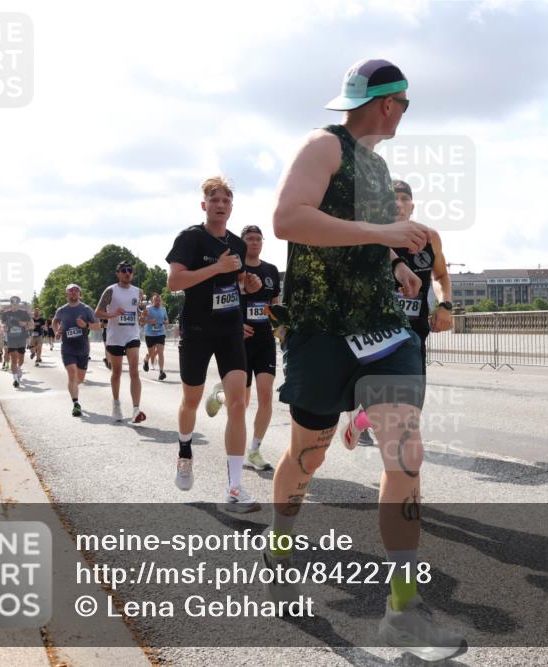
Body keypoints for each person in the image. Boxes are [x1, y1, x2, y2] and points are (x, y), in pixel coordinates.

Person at [265, 58, 466, 661]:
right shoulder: (323, 146)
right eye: (404, 105)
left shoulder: (378, 168)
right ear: (388, 103)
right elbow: (288, 220)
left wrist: (398, 261)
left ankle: (402, 609)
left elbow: (366, 243)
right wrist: (382, 236)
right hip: (321, 330)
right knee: (309, 452)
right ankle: (279, 547)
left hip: (383, 331)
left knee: (406, 450)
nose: (405, 115)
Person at [165, 176, 263, 509]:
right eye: (214, 199)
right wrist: (217, 267)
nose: (220, 205)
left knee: (238, 402)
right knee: (190, 401)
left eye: (226, 200)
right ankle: (184, 451)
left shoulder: (237, 244)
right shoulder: (191, 239)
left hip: (230, 330)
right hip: (196, 329)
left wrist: (245, 283)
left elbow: (234, 284)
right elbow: (174, 282)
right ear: (204, 205)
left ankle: (234, 487)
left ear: (231, 206)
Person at [355, 179, 455, 446]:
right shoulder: (372, 235)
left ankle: (365, 419)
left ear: (412, 206)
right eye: (392, 199)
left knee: (413, 401)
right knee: (391, 406)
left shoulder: (429, 237)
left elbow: (442, 275)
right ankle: (400, 469)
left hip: (414, 329)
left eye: (404, 199)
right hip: (378, 331)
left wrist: (445, 305)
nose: (398, 204)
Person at [238, 224, 282, 472]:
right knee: (240, 402)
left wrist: (280, 329)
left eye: (258, 239)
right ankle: (222, 392)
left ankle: (254, 450)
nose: (255, 242)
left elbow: (274, 305)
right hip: (240, 341)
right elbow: (226, 302)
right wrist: (236, 326)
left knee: (265, 395)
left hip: (264, 340)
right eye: (250, 239)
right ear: (243, 242)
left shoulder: (271, 270)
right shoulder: (235, 270)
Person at [95, 260, 148, 424]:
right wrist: (112, 314)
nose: (127, 273)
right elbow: (98, 312)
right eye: (124, 270)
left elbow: (139, 313)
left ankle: (135, 409)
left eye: (130, 270)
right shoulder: (111, 291)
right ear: (118, 273)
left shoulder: (139, 292)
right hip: (115, 337)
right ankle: (116, 404)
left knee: (134, 371)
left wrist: (142, 317)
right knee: (116, 373)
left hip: (132, 335)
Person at [52, 284, 101, 416]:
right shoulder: (62, 310)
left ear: (80, 294)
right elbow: (55, 321)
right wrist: (57, 331)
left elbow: (98, 325)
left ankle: (73, 387)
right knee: (72, 373)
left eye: (76, 291)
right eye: (71, 291)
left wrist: (85, 325)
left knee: (79, 378)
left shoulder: (86, 309)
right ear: (66, 294)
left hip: (83, 349)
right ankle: (76, 403)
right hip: (67, 348)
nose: (74, 293)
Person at [2, 297, 33, 388]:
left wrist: (25, 324)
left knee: (21, 359)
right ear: (11, 303)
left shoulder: (23, 313)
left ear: (18, 303)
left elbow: (31, 324)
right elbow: (2, 323)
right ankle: (15, 378)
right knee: (14, 358)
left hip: (21, 338)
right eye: (13, 302)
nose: (14, 304)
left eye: (16, 303)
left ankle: (19, 368)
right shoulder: (6, 314)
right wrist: (4, 327)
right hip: (11, 339)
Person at [143, 293, 168, 381]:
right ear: (152, 301)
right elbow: (142, 320)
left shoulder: (163, 309)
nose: (157, 302)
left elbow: (166, 319)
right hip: (150, 334)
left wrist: (166, 322)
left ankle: (161, 372)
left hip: (160, 333)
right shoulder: (148, 309)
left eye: (159, 300)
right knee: (151, 353)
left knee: (161, 352)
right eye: (156, 300)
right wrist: (150, 321)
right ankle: (146, 360)